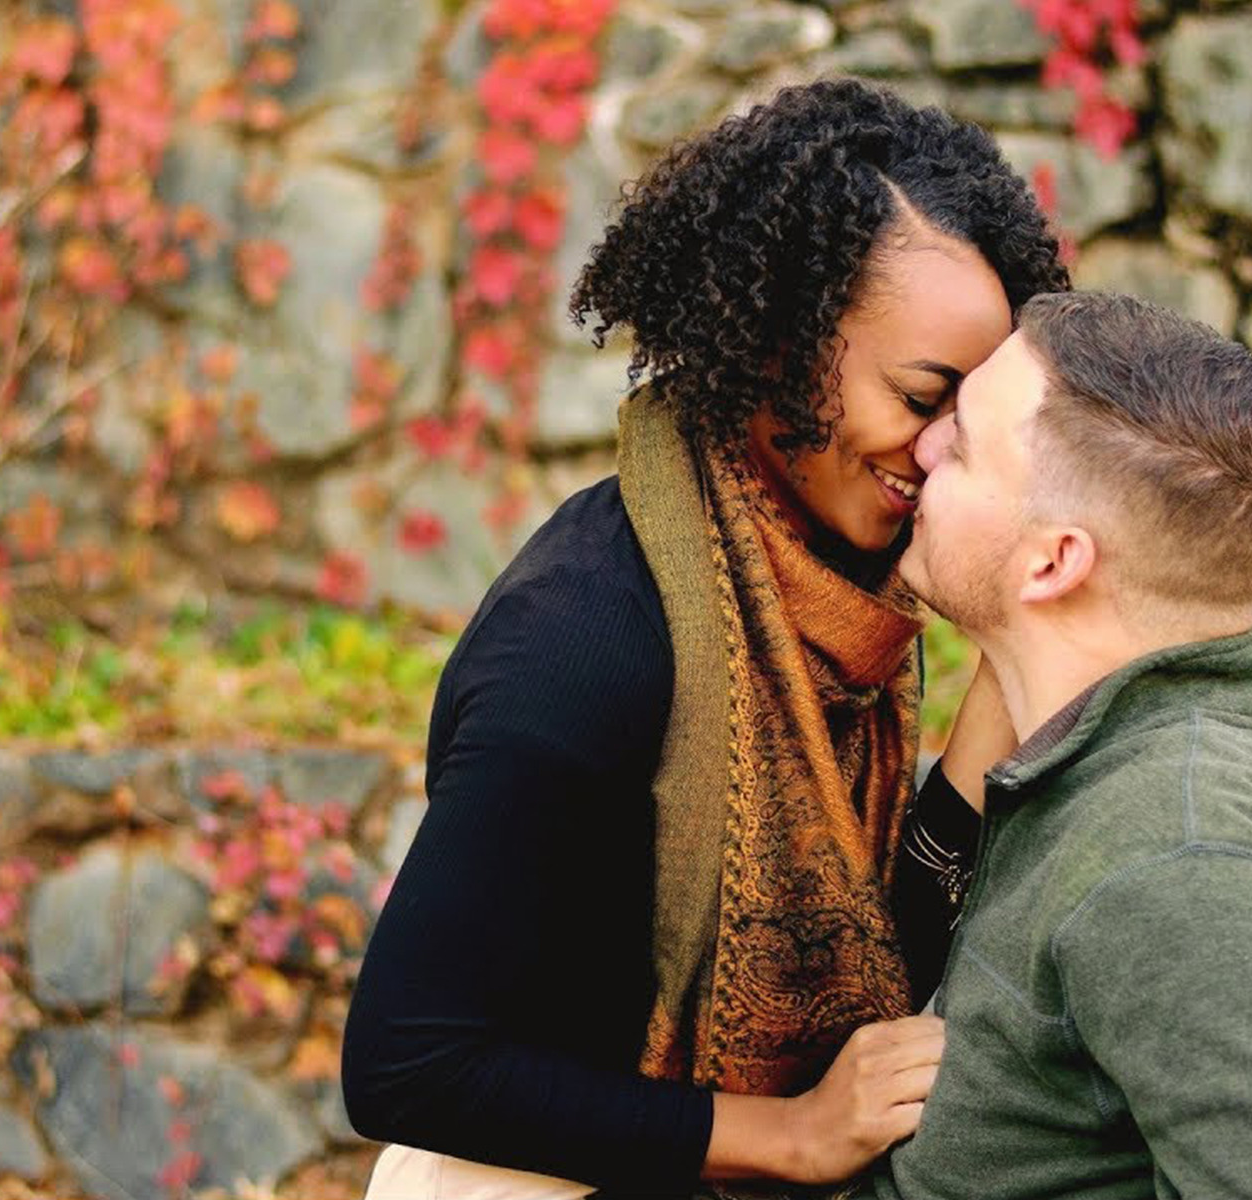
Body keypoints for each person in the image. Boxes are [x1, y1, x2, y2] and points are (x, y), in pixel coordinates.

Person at [341, 77, 1067, 1197]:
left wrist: (1011, 662)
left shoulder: (836, 598)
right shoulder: (587, 636)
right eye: (923, 397)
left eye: (963, 419)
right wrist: (789, 1135)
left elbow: (868, 961)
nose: (937, 453)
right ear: (780, 341)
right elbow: (409, 1063)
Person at [866, 290, 1252, 1199]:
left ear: (1054, 562)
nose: (924, 446)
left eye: (966, 443)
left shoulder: (1185, 870)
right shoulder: (1130, 753)